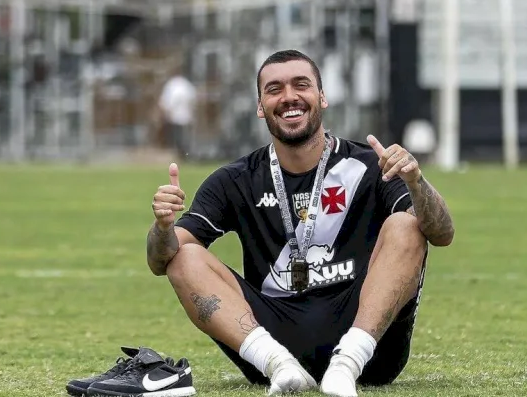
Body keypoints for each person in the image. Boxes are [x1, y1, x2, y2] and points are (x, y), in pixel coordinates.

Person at [147, 49, 454, 397]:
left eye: (301, 85)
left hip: (369, 343)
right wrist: (163, 228)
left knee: (406, 224)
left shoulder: (373, 166)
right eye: (274, 89)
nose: (289, 96)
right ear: (261, 106)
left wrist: (417, 183)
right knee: (184, 254)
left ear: (321, 97)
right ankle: (282, 367)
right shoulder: (235, 180)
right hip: (271, 338)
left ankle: (346, 365)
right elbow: (161, 261)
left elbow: (441, 234)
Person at [157, 70, 197, 155]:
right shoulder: (186, 84)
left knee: (178, 137)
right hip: (185, 117)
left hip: (176, 117)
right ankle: (184, 153)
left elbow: (166, 102)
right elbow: (193, 100)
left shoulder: (172, 85)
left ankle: (181, 153)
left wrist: (165, 113)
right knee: (183, 137)